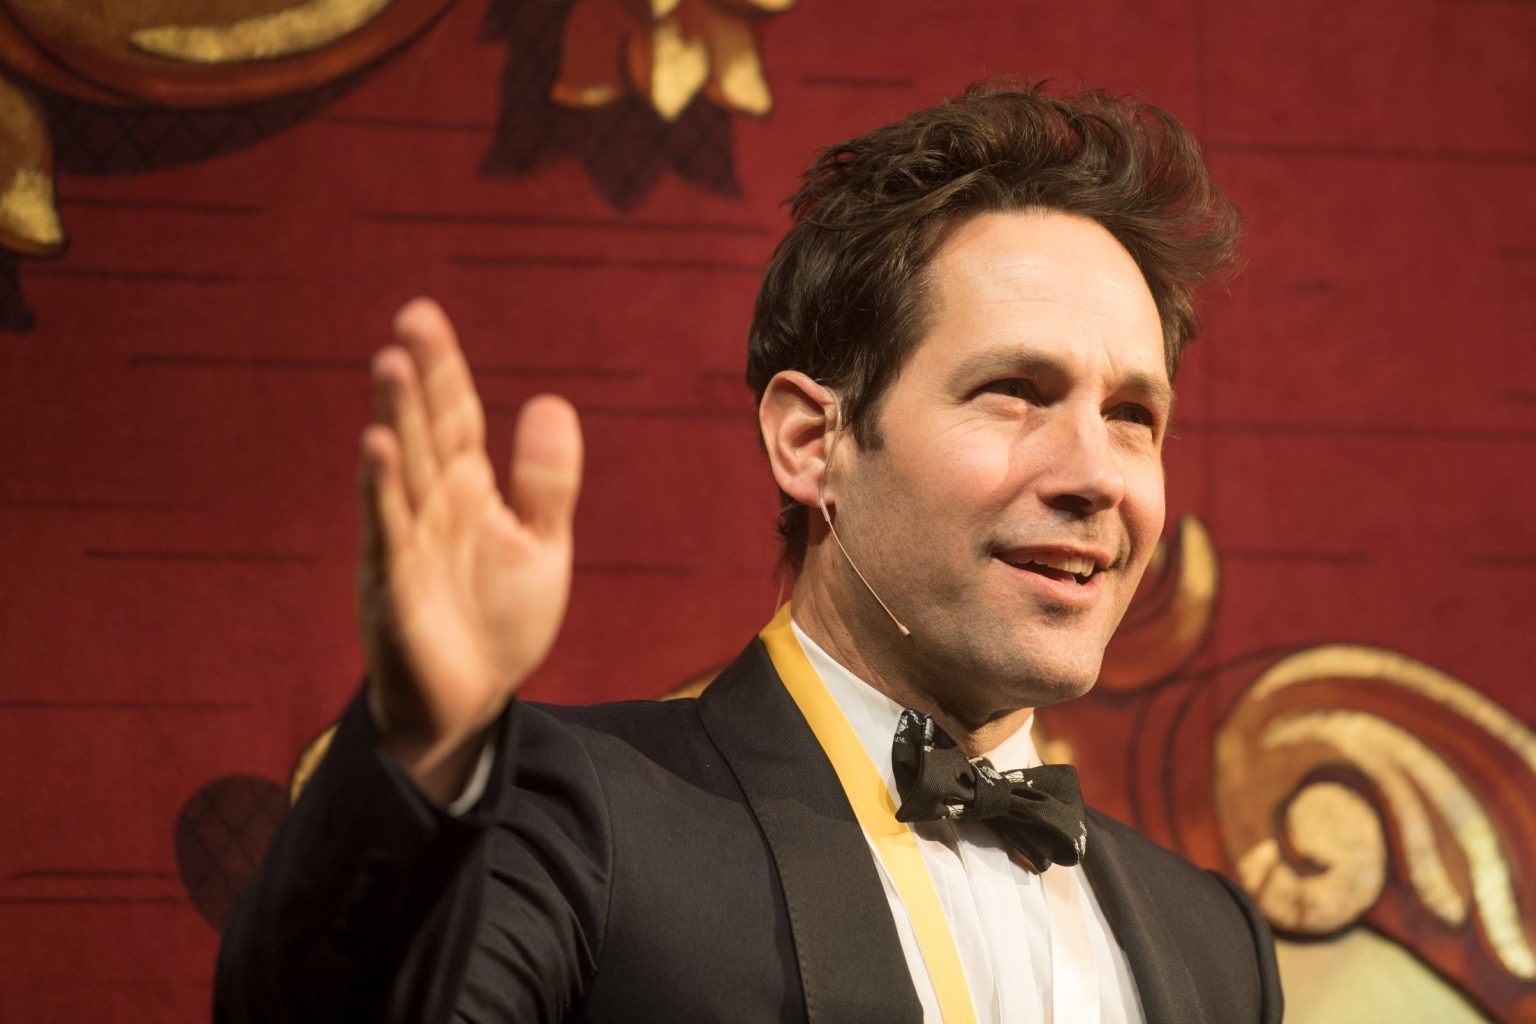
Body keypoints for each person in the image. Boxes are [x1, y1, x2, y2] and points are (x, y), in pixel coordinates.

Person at [215, 81, 1283, 1023]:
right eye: (1015, 391)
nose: (1096, 474)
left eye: (1133, 416)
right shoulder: (577, 814)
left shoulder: (1214, 943)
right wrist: (422, 745)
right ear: (812, 441)